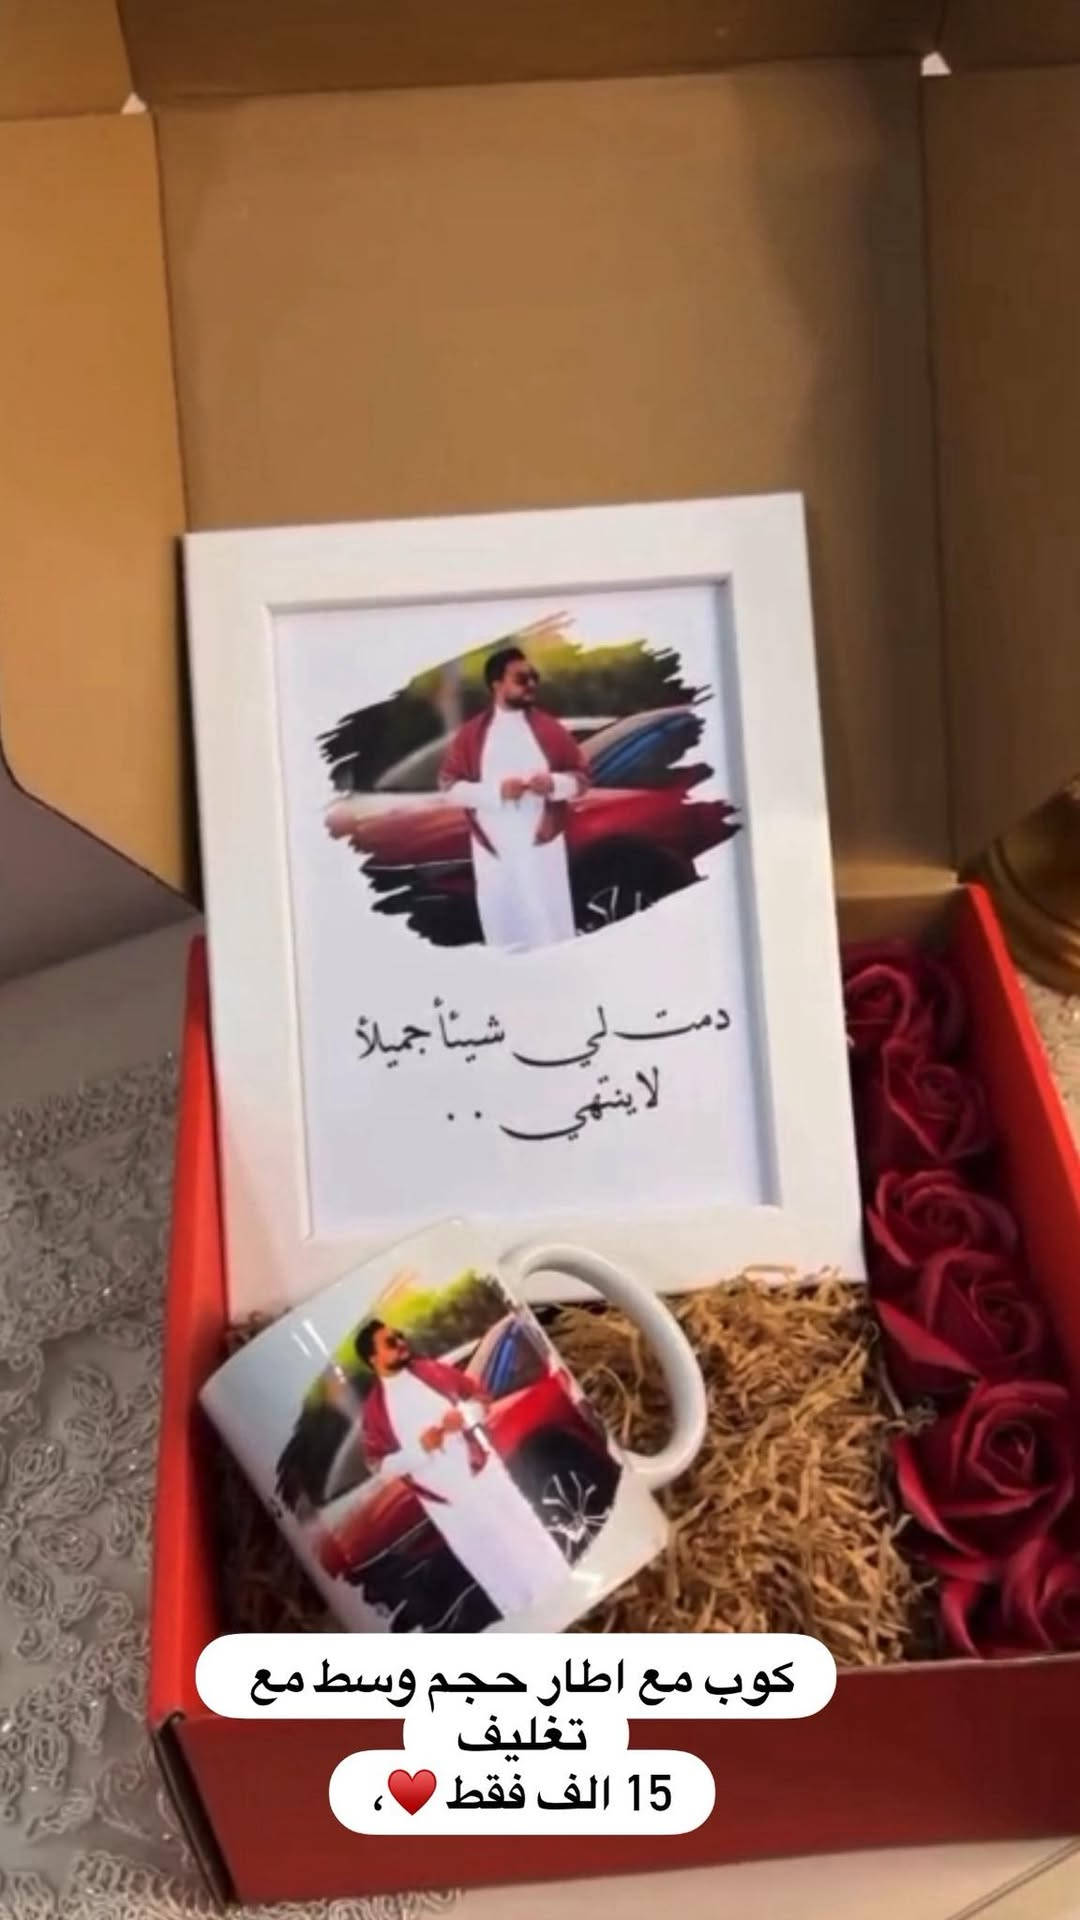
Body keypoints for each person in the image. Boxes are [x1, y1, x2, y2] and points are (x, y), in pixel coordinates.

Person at [355, 1318, 569, 1620]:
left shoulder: (431, 1371)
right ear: (373, 1359)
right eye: (391, 1342)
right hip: (447, 1506)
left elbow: (481, 1399)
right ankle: (532, 1623)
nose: (401, 1343)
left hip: (484, 1475)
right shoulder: (375, 1412)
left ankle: (569, 1595)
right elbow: (381, 1467)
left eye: (399, 1335)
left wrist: (465, 1415)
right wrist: (420, 1449)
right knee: (491, 1564)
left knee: (528, 1535)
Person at [438, 646, 589, 951]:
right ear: (497, 684)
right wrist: (496, 792)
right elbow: (450, 789)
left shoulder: (550, 729)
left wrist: (554, 784)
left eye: (534, 677)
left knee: (551, 934)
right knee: (505, 937)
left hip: (542, 851)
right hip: (494, 856)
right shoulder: (471, 736)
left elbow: (582, 779)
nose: (531, 684)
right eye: (521, 678)